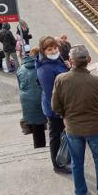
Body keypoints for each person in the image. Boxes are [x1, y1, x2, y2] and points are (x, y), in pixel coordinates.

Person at [52, 44, 98, 195]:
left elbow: (55, 106)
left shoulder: (61, 80)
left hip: (73, 128)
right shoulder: (96, 81)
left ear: (70, 61)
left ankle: (80, 194)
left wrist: (64, 116)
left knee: (76, 162)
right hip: (95, 128)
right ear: (89, 60)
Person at [35, 36, 69, 173]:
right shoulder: (45, 69)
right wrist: (61, 113)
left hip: (63, 105)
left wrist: (68, 67)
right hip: (55, 109)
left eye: (55, 48)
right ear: (43, 51)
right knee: (55, 137)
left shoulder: (57, 60)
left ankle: (63, 160)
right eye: (50, 49)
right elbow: (51, 94)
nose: (54, 51)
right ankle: (57, 165)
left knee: (61, 135)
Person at [17, 48, 47, 148]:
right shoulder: (41, 66)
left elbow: (20, 85)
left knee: (35, 121)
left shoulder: (20, 69)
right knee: (49, 120)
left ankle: (39, 145)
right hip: (41, 95)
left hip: (26, 98)